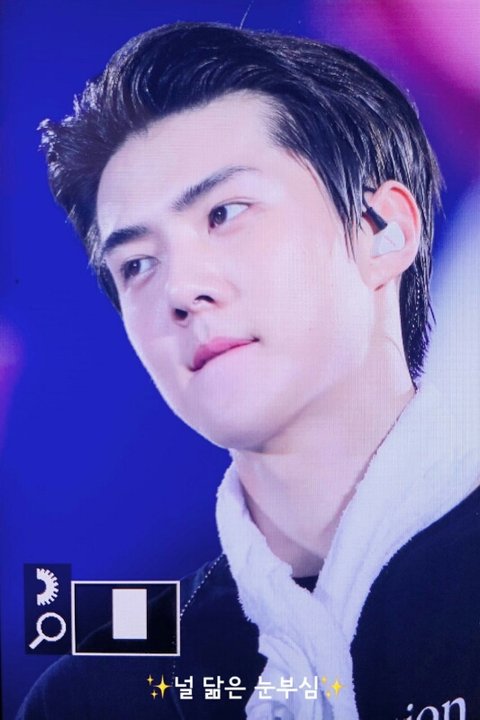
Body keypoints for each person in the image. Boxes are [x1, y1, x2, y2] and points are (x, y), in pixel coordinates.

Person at [17, 22, 479, 720]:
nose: (180, 290)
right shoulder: (101, 693)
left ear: (383, 230)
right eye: (137, 264)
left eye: (225, 213)